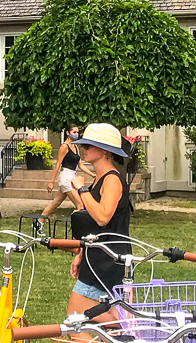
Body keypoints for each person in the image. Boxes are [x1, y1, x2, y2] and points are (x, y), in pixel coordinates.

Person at [63, 123, 132, 322]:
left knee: (75, 319)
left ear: (104, 151)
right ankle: (120, 323)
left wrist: (82, 190)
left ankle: (122, 323)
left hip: (109, 260)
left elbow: (103, 217)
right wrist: (81, 254)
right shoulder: (100, 179)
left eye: (88, 146)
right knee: (85, 326)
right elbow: (94, 224)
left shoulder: (112, 179)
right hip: (96, 258)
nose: (83, 149)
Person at [42, 124, 94, 219]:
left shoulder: (75, 147)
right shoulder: (64, 147)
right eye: (74, 132)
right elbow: (58, 164)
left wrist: (92, 174)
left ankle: (38, 222)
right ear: (67, 133)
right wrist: (51, 182)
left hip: (72, 176)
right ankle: (77, 228)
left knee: (56, 203)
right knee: (80, 205)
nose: (76, 134)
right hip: (66, 177)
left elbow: (80, 164)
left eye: (77, 132)